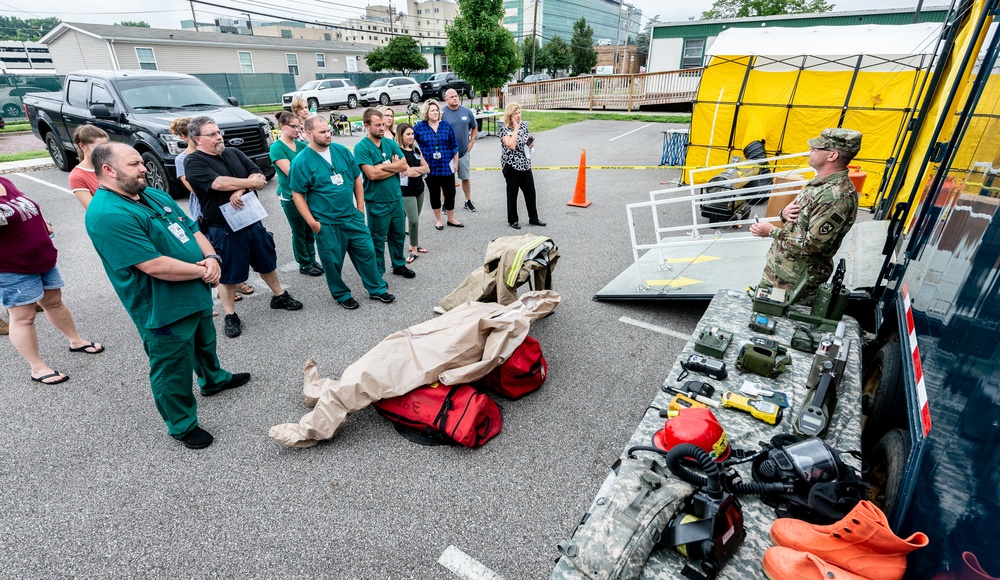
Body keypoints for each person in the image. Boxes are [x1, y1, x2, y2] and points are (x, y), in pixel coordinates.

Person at [85, 143, 249, 449]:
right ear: (108, 170)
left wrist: (213, 258)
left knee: (204, 342)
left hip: (194, 291)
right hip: (162, 306)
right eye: (134, 164)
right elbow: (153, 265)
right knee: (172, 366)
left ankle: (214, 380)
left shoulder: (153, 194)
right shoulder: (108, 214)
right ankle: (182, 424)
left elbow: (192, 228)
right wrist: (203, 271)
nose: (143, 167)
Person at [183, 116, 303, 339]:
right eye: (212, 134)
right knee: (228, 273)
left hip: (251, 220)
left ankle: (279, 296)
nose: (219, 137)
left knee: (266, 262)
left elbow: (257, 173)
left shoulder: (232, 152)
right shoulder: (194, 161)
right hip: (222, 227)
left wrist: (240, 190)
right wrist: (249, 184)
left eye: (219, 132)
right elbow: (217, 183)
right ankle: (230, 315)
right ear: (197, 139)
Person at [1, 176, 104, 385]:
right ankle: (37, 367)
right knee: (23, 317)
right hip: (12, 267)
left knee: (54, 302)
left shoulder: (4, 181)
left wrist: (42, 221)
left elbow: (23, 210)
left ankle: (76, 341)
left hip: (42, 257)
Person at [289, 115, 395, 310]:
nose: (328, 135)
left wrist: (360, 209)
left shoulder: (342, 151)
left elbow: (357, 179)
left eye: (328, 130)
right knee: (332, 261)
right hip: (327, 222)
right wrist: (313, 223)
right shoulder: (301, 162)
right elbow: (298, 194)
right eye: (322, 132)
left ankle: (377, 289)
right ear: (308, 133)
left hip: (351, 217)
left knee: (367, 252)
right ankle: (341, 294)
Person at [749, 128, 863, 301]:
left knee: (780, 322)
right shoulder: (821, 184)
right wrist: (784, 214)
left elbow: (813, 245)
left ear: (832, 156)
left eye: (816, 148)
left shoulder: (836, 197)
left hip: (795, 280)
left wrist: (771, 231)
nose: (811, 151)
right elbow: (802, 220)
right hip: (782, 270)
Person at [355, 108, 415, 280]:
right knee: (377, 240)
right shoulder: (361, 148)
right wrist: (392, 168)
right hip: (377, 202)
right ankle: (378, 273)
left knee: (398, 236)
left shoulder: (390, 143)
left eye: (383, 124)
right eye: (377, 125)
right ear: (367, 126)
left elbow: (404, 165)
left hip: (396, 199)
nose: (382, 128)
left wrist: (381, 166)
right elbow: (371, 175)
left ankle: (399, 265)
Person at [270, 111, 323, 277]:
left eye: (298, 126)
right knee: (299, 230)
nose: (297, 130)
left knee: (310, 228)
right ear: (282, 126)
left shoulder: (301, 146)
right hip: (290, 196)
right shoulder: (277, 148)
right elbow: (291, 172)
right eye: (293, 127)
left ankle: (312, 259)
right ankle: (304, 263)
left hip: (307, 195)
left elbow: (315, 164)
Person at [412, 99, 462, 230]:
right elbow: (409, 140)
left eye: (437, 110)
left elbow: (454, 146)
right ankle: (439, 220)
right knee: (434, 194)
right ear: (426, 112)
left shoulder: (446, 126)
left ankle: (451, 218)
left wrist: (456, 163)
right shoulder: (419, 127)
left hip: (447, 166)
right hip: (430, 168)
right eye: (432, 110)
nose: (435, 112)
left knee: (450, 192)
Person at [499, 102, 545, 230]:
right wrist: (515, 129)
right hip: (511, 165)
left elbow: (527, 138)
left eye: (519, 112)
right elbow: (511, 145)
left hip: (524, 164)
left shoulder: (523, 126)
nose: (519, 115)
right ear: (510, 115)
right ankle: (513, 220)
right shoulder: (504, 130)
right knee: (512, 193)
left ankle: (533, 218)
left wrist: (530, 143)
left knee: (531, 192)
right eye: (516, 113)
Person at [395, 122, 430, 262]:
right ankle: (414, 250)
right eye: (408, 134)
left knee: (415, 220)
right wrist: (416, 171)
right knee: (413, 221)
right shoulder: (398, 152)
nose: (411, 137)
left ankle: (413, 244)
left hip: (419, 189)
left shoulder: (415, 150)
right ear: (401, 136)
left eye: (412, 134)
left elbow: (427, 168)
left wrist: (415, 171)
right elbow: (407, 172)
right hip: (406, 192)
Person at [441, 88, 479, 212]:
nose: (455, 98)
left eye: (456, 96)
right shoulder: (442, 113)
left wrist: (472, 141)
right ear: (446, 99)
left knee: (465, 178)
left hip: (463, 152)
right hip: (447, 155)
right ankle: (445, 203)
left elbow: (474, 127)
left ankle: (468, 201)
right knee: (446, 181)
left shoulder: (466, 111)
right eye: (451, 96)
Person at [68, 124, 109, 209]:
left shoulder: (112, 165)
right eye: (97, 147)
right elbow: (93, 209)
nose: (103, 151)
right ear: (82, 146)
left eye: (105, 146)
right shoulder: (77, 176)